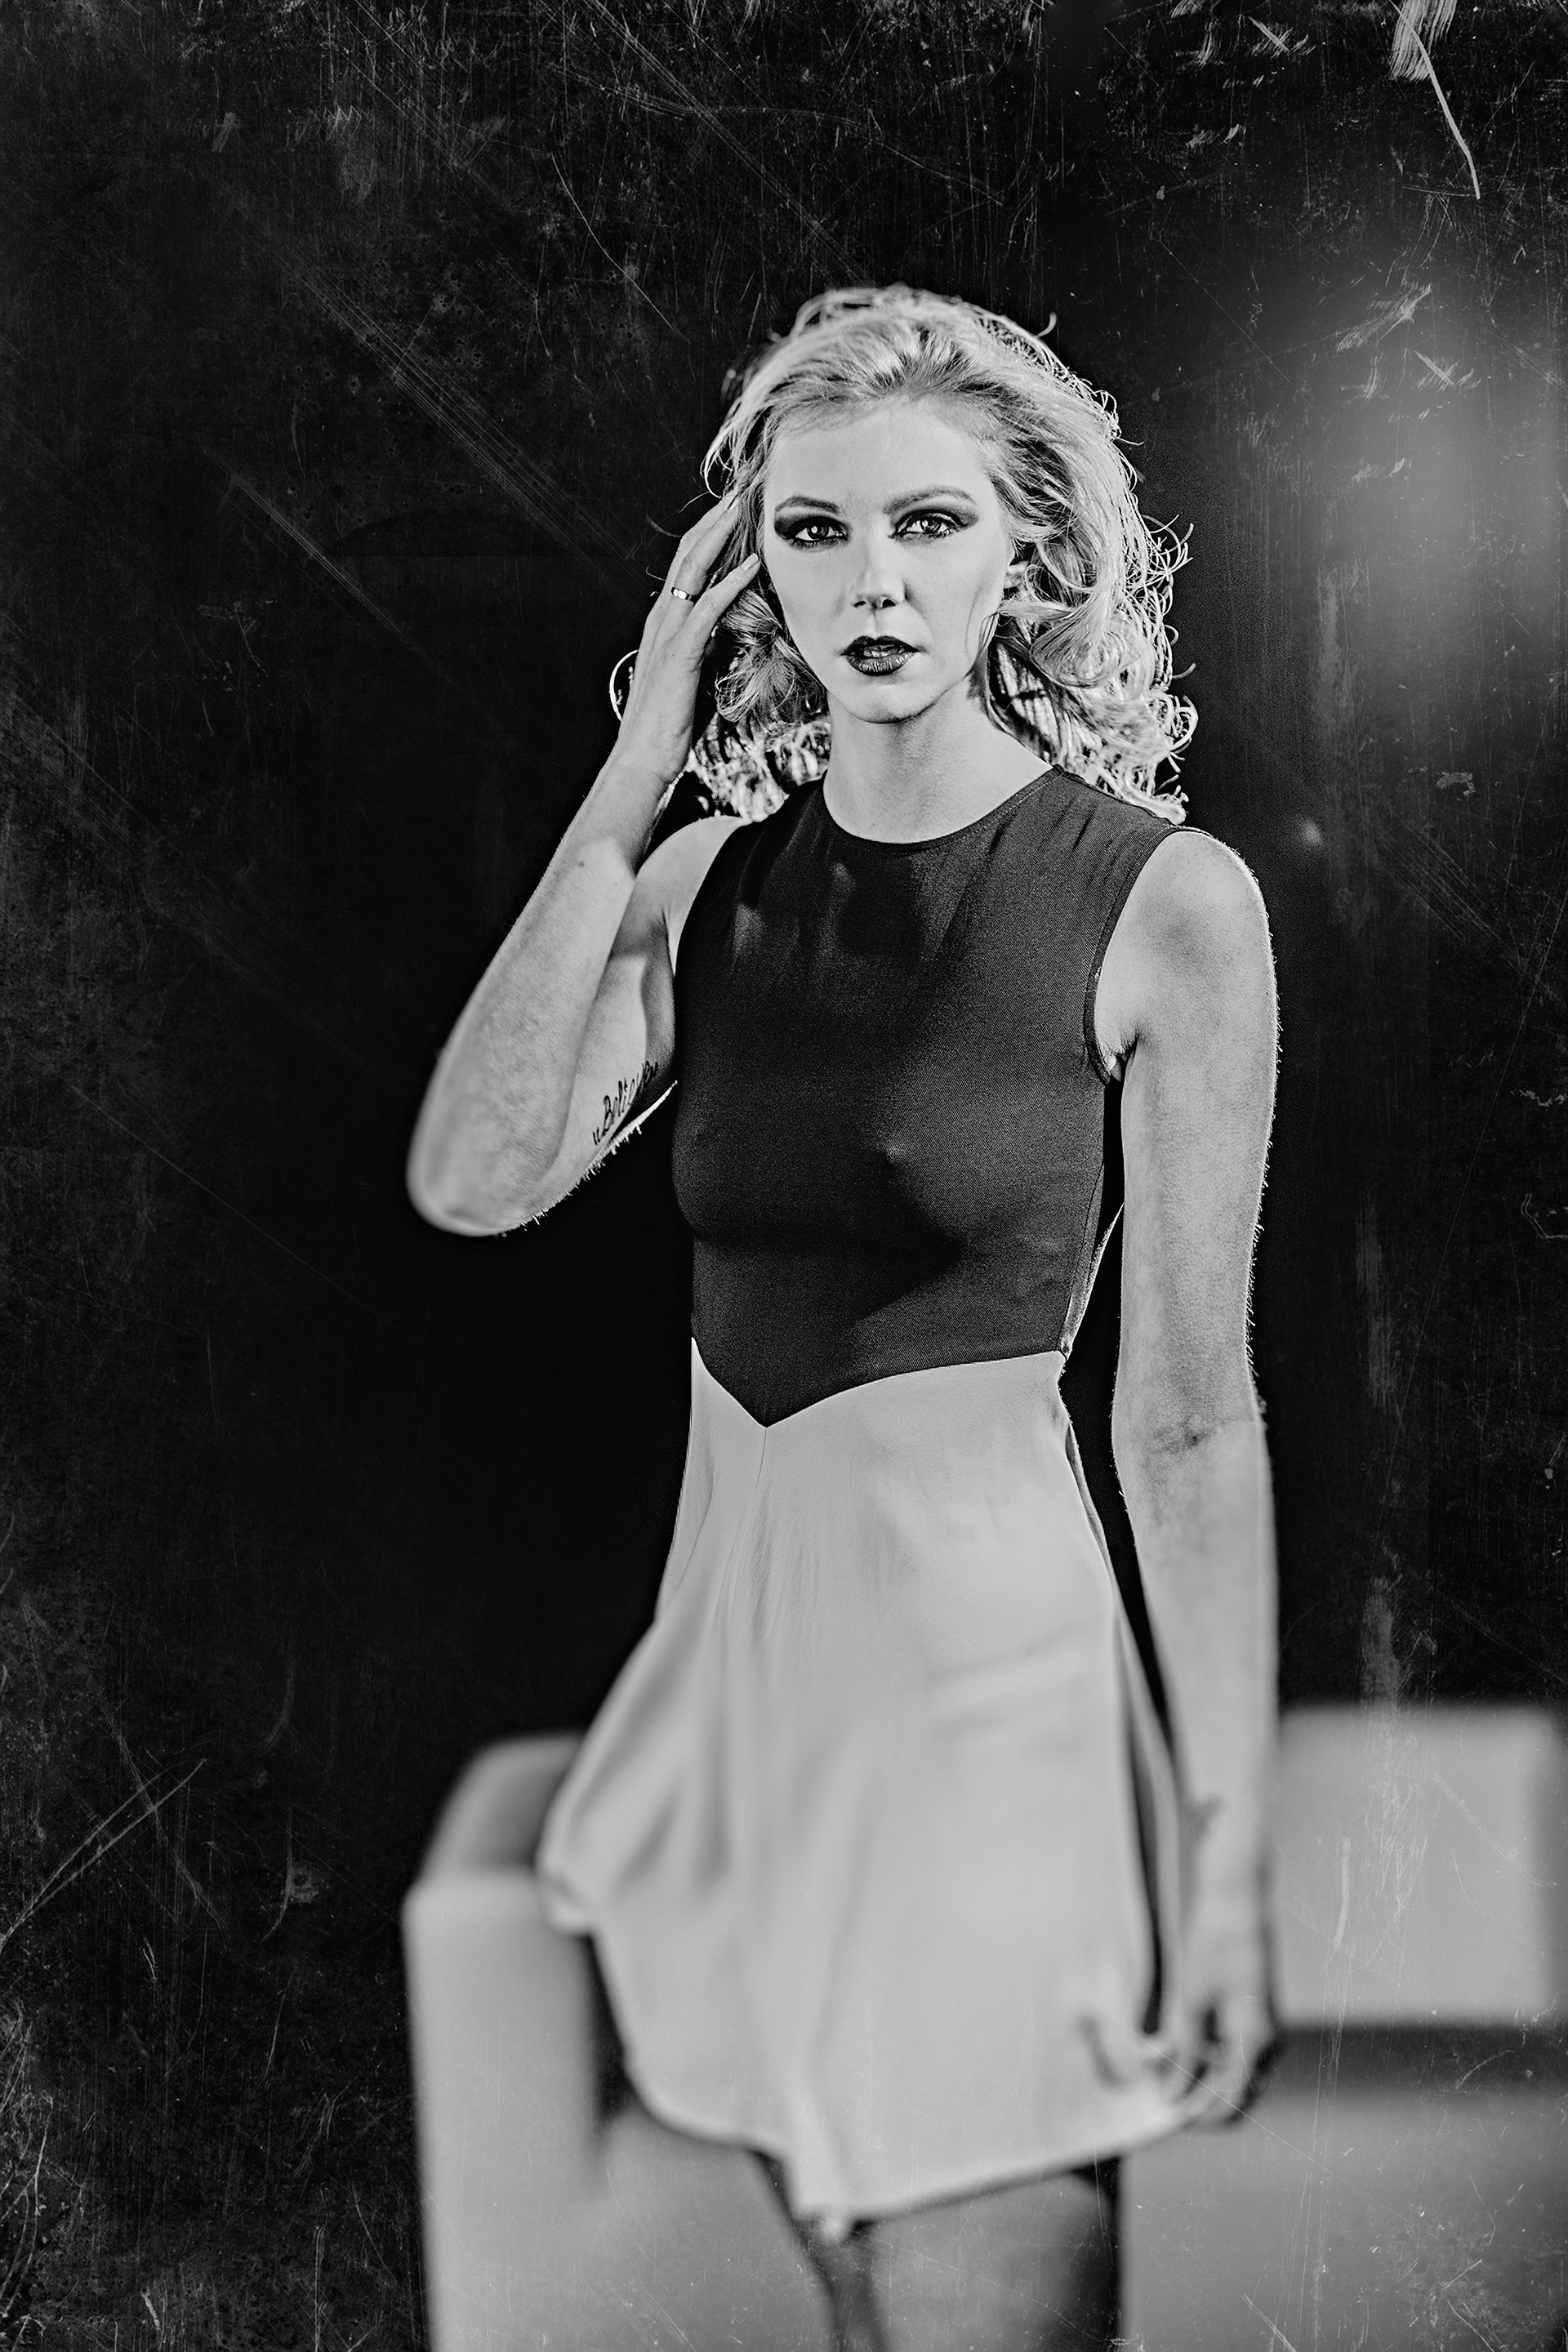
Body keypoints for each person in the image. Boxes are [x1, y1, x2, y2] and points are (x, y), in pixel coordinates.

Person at [406, 284, 1280, 2352]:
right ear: (748, 578)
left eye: (930, 524)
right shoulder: (704, 890)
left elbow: (1188, 1420)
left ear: (1025, 561)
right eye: (814, 531)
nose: (872, 582)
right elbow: (473, 1175)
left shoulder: (1163, 902)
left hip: (989, 1722)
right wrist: (629, 783)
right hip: (749, 1713)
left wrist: (1230, 1867)